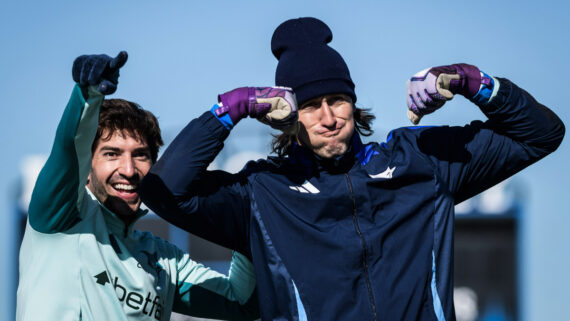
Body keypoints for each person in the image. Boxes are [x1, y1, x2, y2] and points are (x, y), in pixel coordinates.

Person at [140, 17, 565, 321]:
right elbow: (164, 191)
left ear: (353, 103)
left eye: (337, 100)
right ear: (287, 116)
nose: (328, 117)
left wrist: (473, 82)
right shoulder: (264, 194)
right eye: (309, 106)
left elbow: (540, 134)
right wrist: (229, 109)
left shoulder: (421, 161)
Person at [16, 51, 259, 321]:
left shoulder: (164, 261)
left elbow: (241, 301)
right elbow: (69, 149)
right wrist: (89, 93)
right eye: (112, 154)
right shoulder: (60, 219)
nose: (129, 170)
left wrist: (246, 221)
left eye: (140, 155)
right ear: (86, 168)